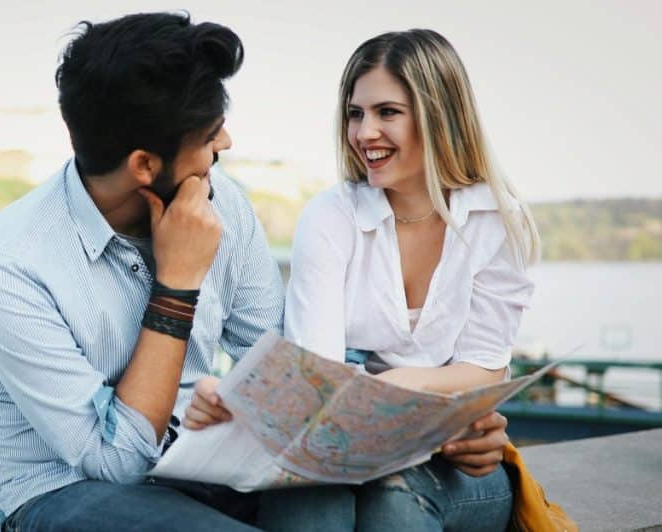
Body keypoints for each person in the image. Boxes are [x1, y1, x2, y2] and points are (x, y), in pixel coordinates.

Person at [0, 14, 513, 531]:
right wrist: (176, 285)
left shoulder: (224, 202)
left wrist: (438, 419)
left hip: (207, 462)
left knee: (321, 508)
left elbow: (290, 370)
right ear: (143, 166)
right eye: (209, 137)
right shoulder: (9, 268)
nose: (225, 144)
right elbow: (114, 458)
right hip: (68, 489)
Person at [187, 29, 538, 531]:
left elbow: (484, 369)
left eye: (387, 113)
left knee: (392, 503)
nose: (364, 132)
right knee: (309, 500)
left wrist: (394, 386)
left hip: (454, 457)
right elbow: (317, 372)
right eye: (356, 114)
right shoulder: (332, 217)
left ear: (439, 115)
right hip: (347, 445)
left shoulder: (495, 221)